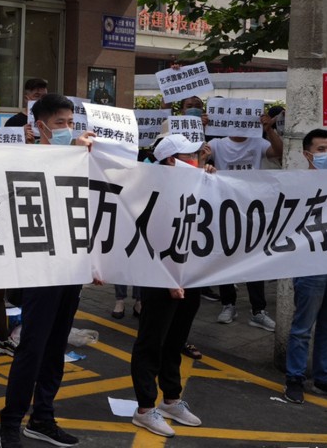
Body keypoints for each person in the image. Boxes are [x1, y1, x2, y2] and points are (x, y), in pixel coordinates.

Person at [0, 93, 94, 448]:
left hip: (71, 267)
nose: (69, 129)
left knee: (56, 347)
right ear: (40, 127)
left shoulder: (82, 160)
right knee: (33, 348)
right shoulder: (27, 160)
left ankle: (43, 418)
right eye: (60, 124)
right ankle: (10, 422)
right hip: (39, 270)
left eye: (71, 123)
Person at [130, 134, 208, 437]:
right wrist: (168, 278)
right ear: (172, 161)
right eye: (190, 156)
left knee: (176, 341)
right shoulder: (153, 191)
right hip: (161, 279)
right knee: (152, 342)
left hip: (191, 277)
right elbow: (147, 241)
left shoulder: (198, 184)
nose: (197, 159)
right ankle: (145, 408)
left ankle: (171, 399)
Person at [283, 129, 327, 404]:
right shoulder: (295, 185)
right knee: (302, 327)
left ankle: (325, 378)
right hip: (311, 265)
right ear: (307, 154)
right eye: (321, 150)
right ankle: (294, 379)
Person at [207, 110, 283, 331]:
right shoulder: (217, 144)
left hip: (252, 209)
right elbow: (197, 156)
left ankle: (258, 310)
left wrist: (269, 129)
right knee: (225, 257)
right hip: (224, 208)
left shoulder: (258, 142)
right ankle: (228, 304)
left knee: (253, 259)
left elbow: (279, 152)